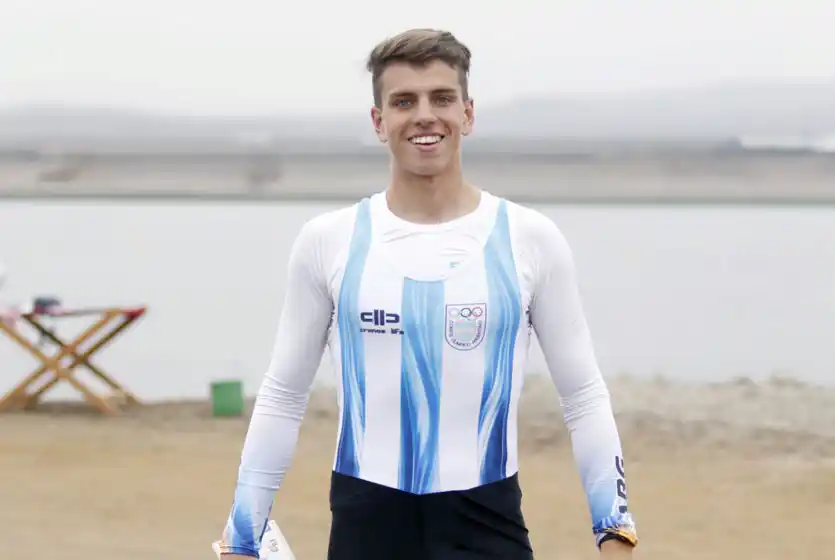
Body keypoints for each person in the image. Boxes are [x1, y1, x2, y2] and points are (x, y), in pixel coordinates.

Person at [216, 28, 638, 560]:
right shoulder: (329, 242)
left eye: (442, 98)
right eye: (403, 102)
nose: (424, 116)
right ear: (379, 122)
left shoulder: (530, 240)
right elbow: (282, 396)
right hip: (366, 524)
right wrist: (243, 537)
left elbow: (583, 396)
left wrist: (615, 532)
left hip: (487, 522)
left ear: (468, 113)